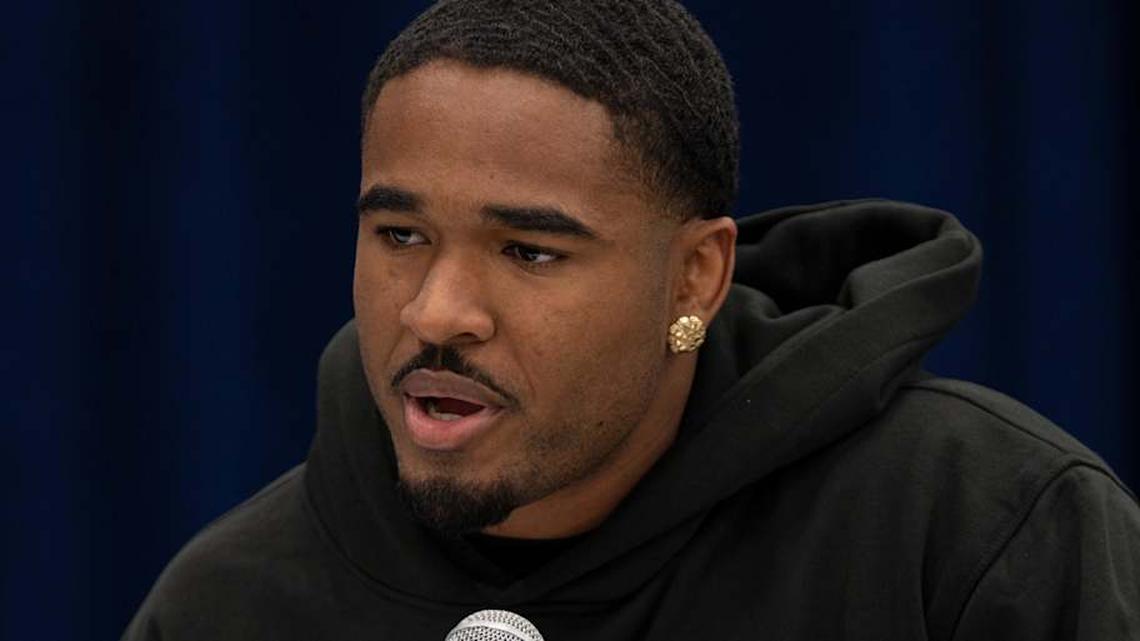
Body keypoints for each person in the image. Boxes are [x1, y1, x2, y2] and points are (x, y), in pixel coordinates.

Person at [123, 1, 1140, 639]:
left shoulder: (981, 531)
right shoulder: (229, 602)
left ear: (696, 275)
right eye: (398, 236)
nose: (436, 311)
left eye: (529, 251)